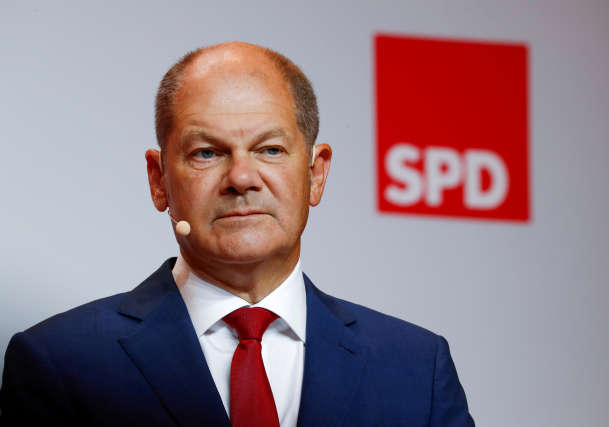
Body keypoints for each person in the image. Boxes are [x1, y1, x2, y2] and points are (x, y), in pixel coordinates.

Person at [0, 42, 474, 426]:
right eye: (207, 153)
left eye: (270, 150)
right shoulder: (62, 361)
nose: (242, 178)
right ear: (159, 180)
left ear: (316, 174)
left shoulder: (416, 368)